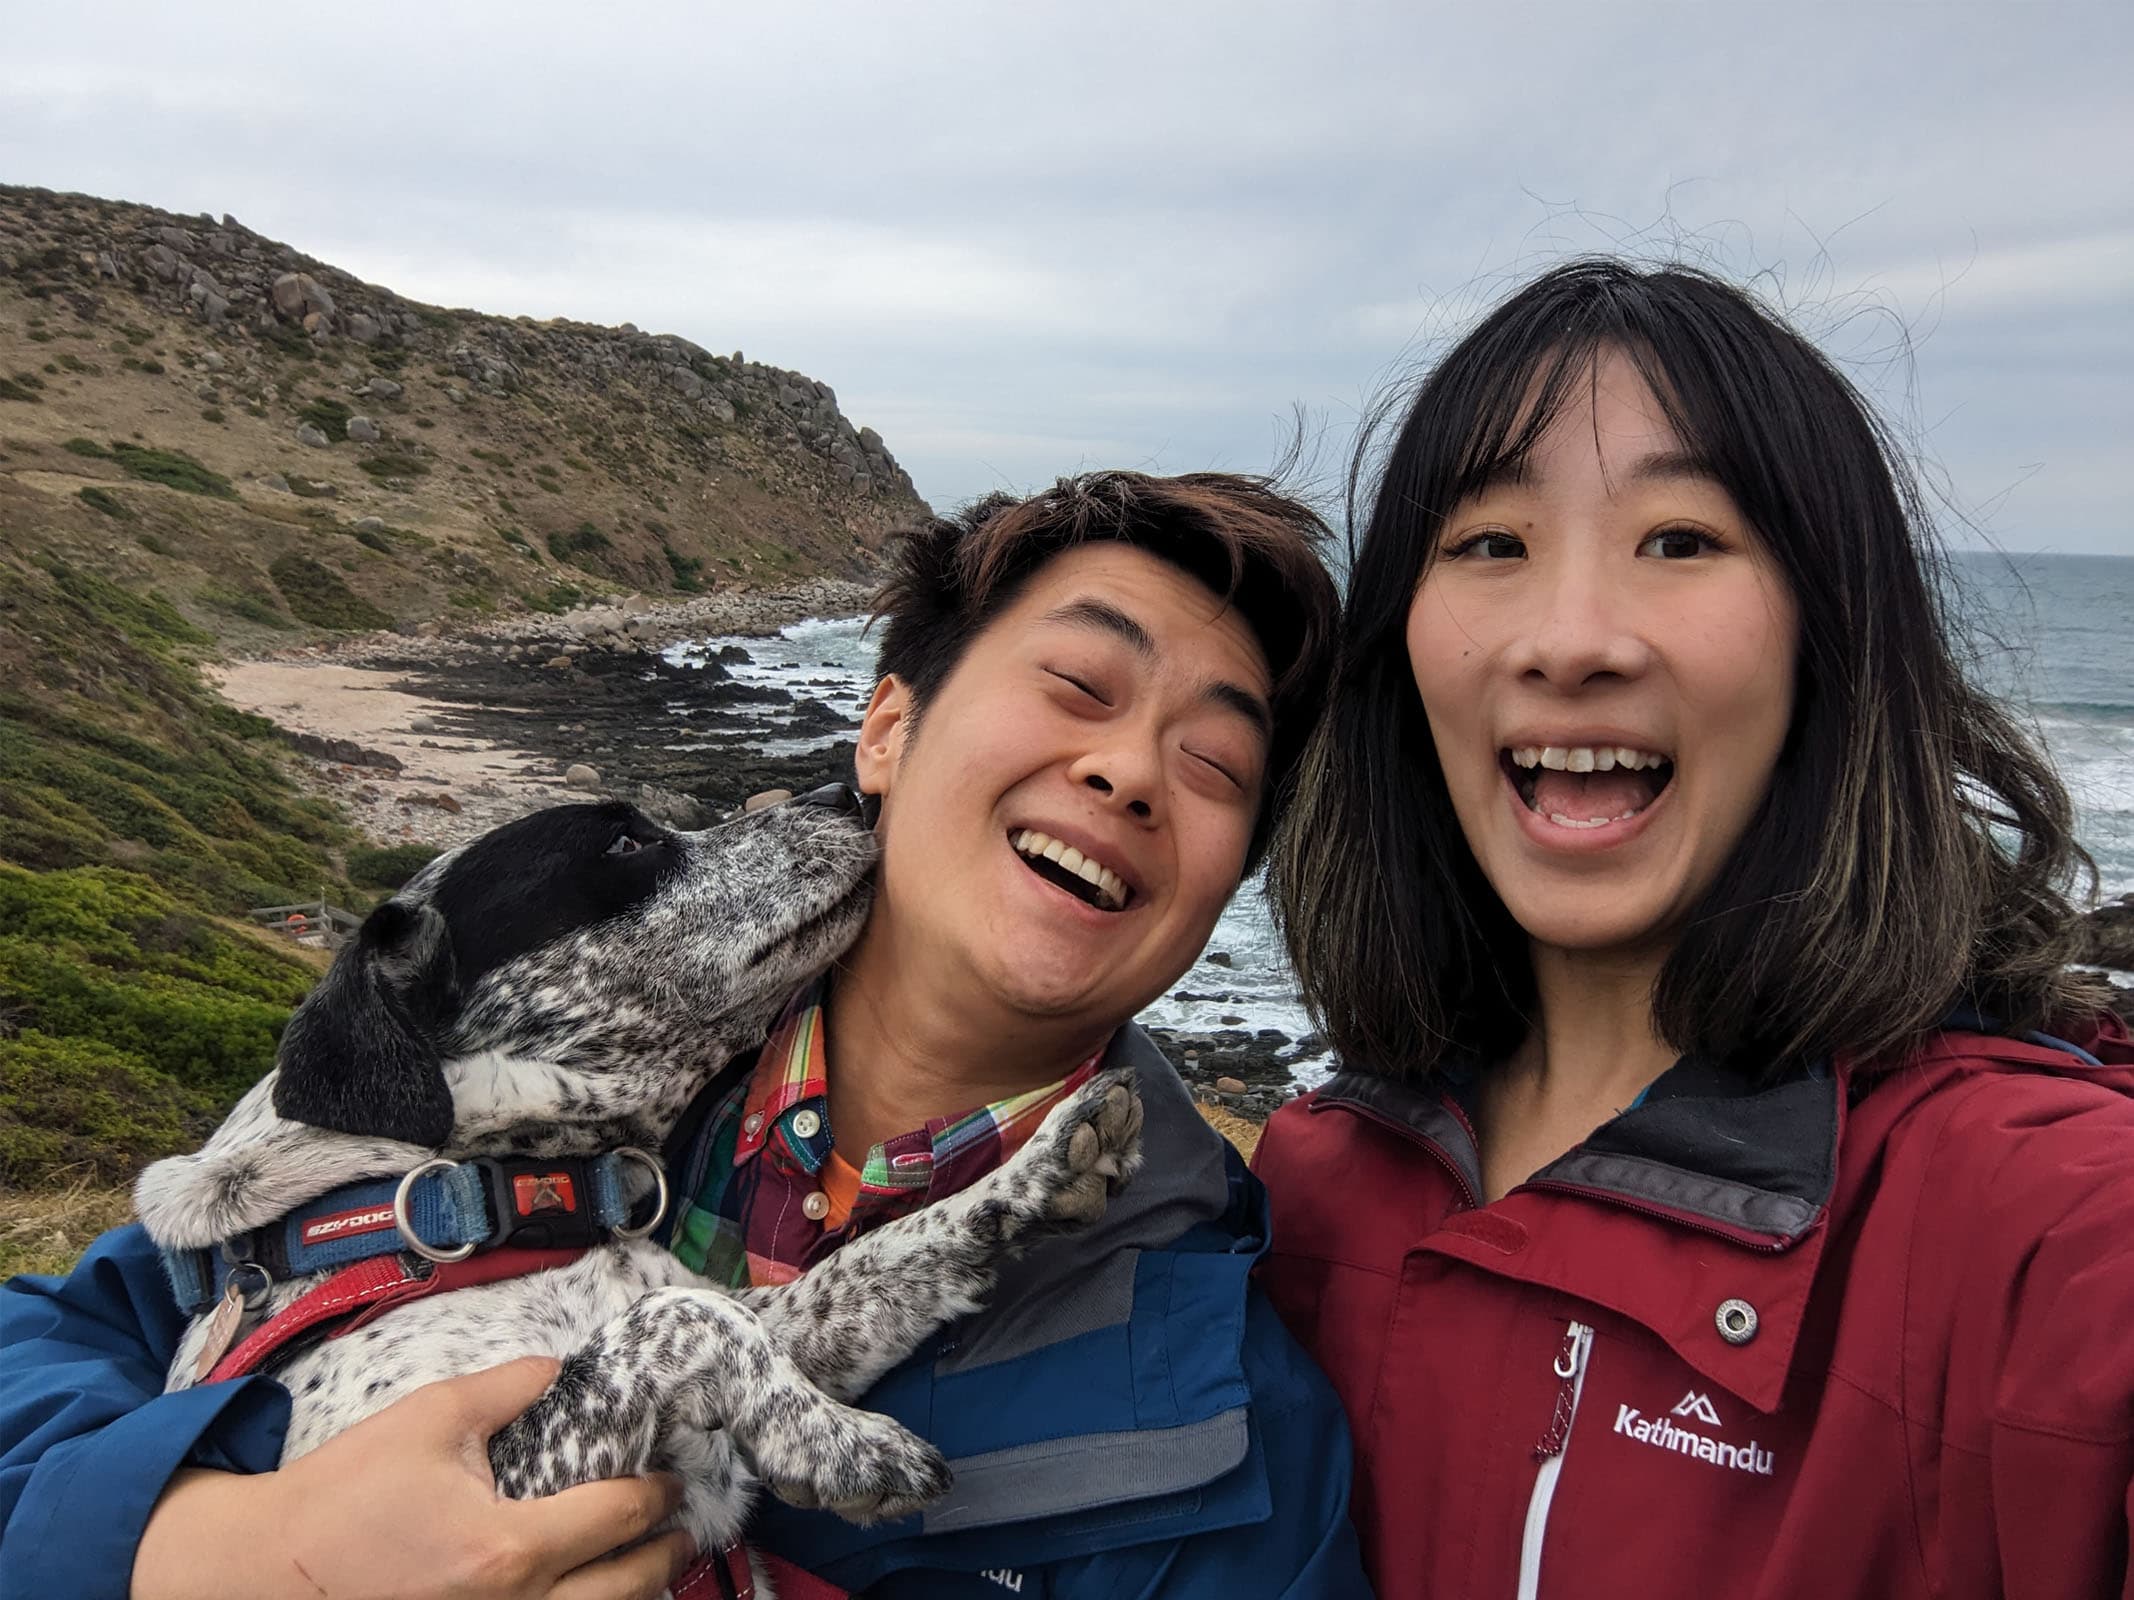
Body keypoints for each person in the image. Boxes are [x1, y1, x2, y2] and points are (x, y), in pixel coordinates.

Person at [1, 471, 1372, 1600]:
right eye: (1079, 686)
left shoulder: (1240, 1436)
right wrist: (208, 1556)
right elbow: (60, 1340)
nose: (1129, 771)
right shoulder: (512, 1110)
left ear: (1223, 879)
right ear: (886, 724)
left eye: (1211, 766)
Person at [1252, 259, 2134, 1599]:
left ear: (1827, 637)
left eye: (1679, 540)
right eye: (1489, 542)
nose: (1569, 638)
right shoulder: (1310, 1187)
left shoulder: (2036, 1222)